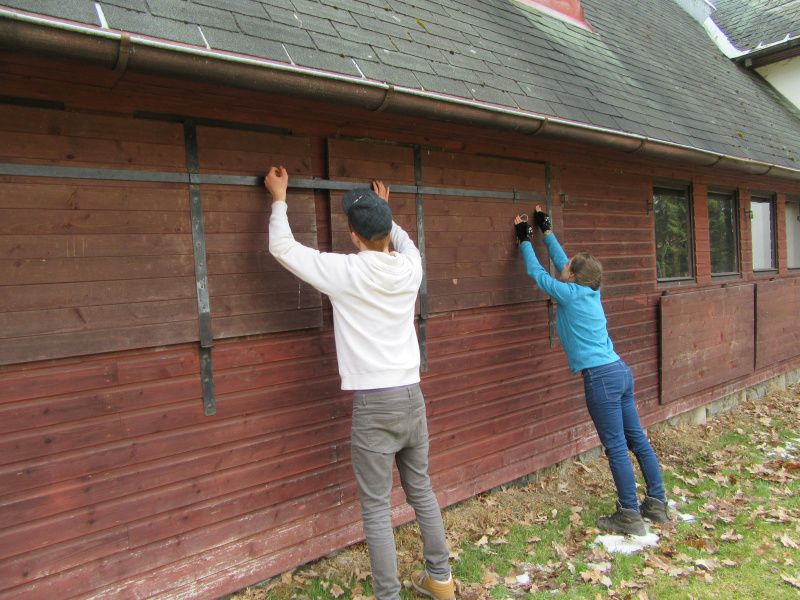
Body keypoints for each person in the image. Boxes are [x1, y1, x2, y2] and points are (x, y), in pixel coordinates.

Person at [264, 167, 455, 600]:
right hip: (412, 398)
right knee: (421, 490)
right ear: (386, 230)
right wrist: (385, 210)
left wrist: (279, 198)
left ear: (353, 235)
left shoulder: (345, 271)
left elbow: (282, 247)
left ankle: (388, 596)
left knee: (376, 508)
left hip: (375, 406)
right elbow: (405, 242)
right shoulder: (410, 268)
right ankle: (441, 581)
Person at [514, 208, 671, 536]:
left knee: (616, 447)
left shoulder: (569, 294)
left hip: (601, 380)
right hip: (620, 371)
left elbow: (537, 273)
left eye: (568, 267)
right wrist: (547, 232)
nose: (564, 265)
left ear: (572, 276)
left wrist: (525, 240)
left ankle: (629, 514)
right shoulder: (589, 289)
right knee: (637, 441)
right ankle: (657, 503)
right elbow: (564, 263)